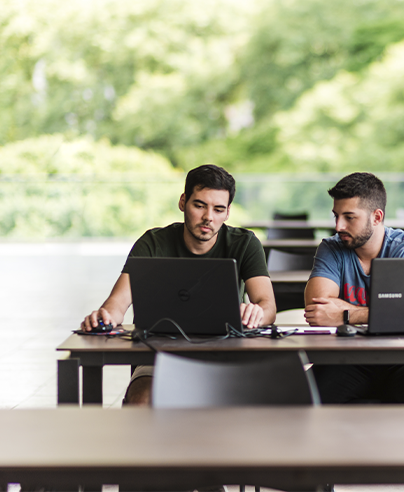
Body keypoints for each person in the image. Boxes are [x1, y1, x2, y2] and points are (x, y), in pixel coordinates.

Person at [81, 164, 276, 405]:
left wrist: (257, 312)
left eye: (218, 209)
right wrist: (105, 317)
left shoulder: (245, 243)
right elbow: (118, 304)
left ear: (227, 213)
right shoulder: (153, 242)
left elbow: (267, 306)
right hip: (159, 355)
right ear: (183, 202)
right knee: (141, 399)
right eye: (199, 205)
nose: (208, 217)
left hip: (226, 353)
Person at [304, 172, 404, 403]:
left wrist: (345, 313)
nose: (338, 226)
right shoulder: (331, 248)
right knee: (309, 401)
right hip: (348, 358)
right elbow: (318, 310)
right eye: (336, 216)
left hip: (403, 358)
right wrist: (385, 312)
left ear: (377, 217)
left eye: (349, 217)